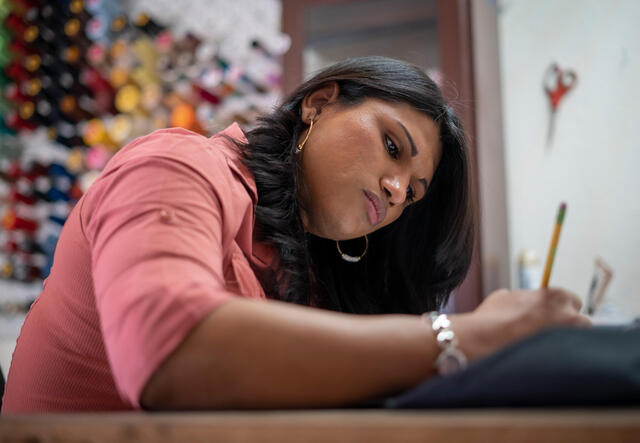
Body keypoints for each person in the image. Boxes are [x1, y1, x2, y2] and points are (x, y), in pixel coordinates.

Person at [1, 57, 589, 413]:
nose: (393, 189)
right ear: (319, 103)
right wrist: (458, 339)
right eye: (391, 146)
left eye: (412, 193)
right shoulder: (178, 165)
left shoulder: (310, 274)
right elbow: (171, 354)